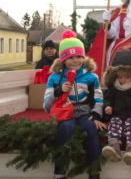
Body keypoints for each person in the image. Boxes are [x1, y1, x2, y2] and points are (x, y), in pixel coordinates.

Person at [43, 30, 106, 179]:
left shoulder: (91, 76)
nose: (75, 60)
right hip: (65, 113)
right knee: (66, 127)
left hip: (84, 112)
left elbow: (98, 98)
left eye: (79, 56)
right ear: (63, 59)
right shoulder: (54, 78)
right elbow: (46, 105)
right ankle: (59, 172)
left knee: (91, 127)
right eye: (70, 57)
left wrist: (96, 114)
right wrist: (58, 91)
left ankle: (94, 171)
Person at [101, 50, 131, 166]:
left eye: (127, 77)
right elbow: (108, 98)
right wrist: (108, 106)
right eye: (120, 77)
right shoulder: (114, 86)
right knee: (114, 121)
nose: (123, 80)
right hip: (118, 114)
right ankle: (114, 147)